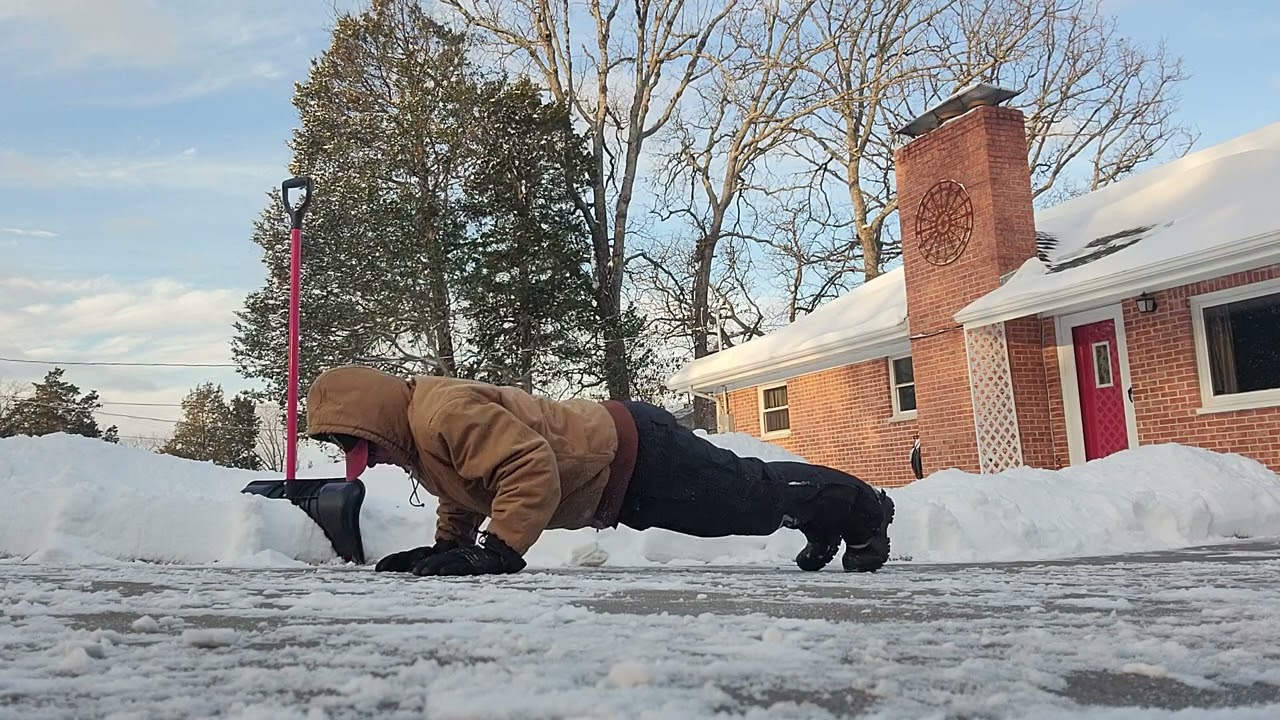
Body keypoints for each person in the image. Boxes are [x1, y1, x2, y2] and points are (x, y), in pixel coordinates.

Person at [304, 364, 895, 577]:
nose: (368, 460)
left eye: (361, 447)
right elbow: (471, 484)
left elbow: (526, 465)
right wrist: (447, 542)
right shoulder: (420, 435)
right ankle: (820, 518)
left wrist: (501, 548)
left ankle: (864, 510)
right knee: (747, 509)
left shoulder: (440, 413)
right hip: (620, 476)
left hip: (636, 455)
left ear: (373, 423)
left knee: (750, 499)